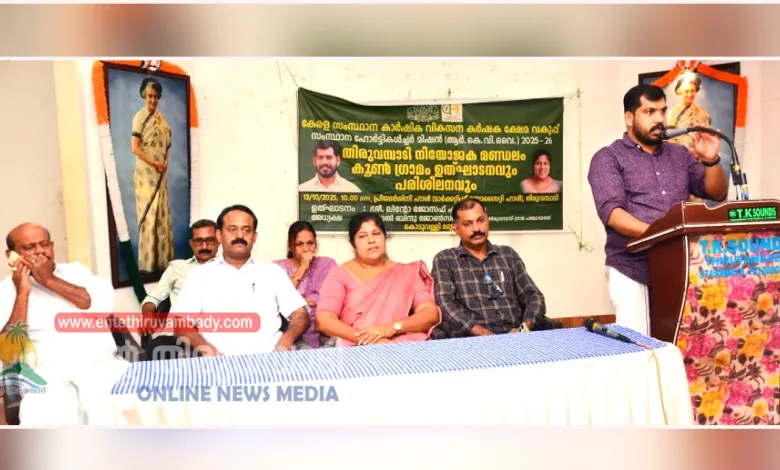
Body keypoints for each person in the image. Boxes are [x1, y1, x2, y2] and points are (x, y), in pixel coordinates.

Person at [587, 84, 727, 335]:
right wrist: (663, 234)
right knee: (638, 345)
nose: (659, 119)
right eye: (649, 112)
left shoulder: (679, 154)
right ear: (629, 117)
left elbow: (716, 192)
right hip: (632, 267)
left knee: (680, 341)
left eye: (662, 111)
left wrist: (711, 160)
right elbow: (614, 215)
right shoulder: (608, 158)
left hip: (680, 266)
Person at [0, 223, 129, 425]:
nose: (40, 251)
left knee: (126, 415)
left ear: (52, 246)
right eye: (29, 247)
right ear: (11, 255)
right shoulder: (6, 291)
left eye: (44, 244)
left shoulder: (78, 272)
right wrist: (22, 293)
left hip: (101, 366)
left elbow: (100, 305)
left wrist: (48, 279)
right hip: (45, 377)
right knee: (45, 427)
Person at [169, 205, 309, 356]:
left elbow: (300, 315)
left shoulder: (273, 272)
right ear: (219, 235)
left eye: (246, 230)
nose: (240, 235)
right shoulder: (200, 275)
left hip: (270, 357)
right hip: (217, 360)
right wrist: (205, 349)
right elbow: (180, 323)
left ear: (254, 237)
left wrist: (286, 341)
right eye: (232, 229)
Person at [315, 212, 440, 347]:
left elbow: (429, 313)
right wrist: (369, 340)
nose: (371, 240)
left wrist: (393, 328)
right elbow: (324, 320)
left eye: (376, 233)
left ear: (385, 237)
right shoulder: (339, 274)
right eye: (362, 236)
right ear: (353, 243)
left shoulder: (407, 272)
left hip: (401, 346)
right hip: (355, 347)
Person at [430, 198, 547, 339]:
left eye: (480, 220)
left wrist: (524, 330)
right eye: (468, 224)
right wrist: (485, 335)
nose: (477, 229)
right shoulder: (445, 259)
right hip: (473, 341)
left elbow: (533, 296)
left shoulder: (507, 255)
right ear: (455, 228)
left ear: (487, 220)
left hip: (516, 337)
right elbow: (445, 305)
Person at [139, 219, 219, 359]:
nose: (204, 246)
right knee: (158, 348)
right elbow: (153, 297)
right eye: (199, 241)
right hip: (175, 335)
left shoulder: (227, 270)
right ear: (191, 243)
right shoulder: (177, 267)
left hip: (213, 334)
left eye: (210, 240)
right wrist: (148, 314)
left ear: (219, 241)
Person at [131, 77, 175, 274]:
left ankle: (163, 261)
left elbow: (167, 146)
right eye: (150, 96)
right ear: (144, 95)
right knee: (149, 215)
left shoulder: (162, 119)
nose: (153, 100)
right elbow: (135, 148)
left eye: (156, 97)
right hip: (146, 174)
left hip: (160, 174)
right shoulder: (139, 117)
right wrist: (155, 163)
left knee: (161, 214)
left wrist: (165, 162)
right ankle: (148, 264)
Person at [273, 221, 337, 349]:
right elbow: (277, 298)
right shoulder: (277, 267)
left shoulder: (327, 264)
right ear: (291, 246)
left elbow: (335, 296)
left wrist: (317, 300)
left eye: (310, 243)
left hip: (324, 328)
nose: (306, 249)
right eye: (299, 244)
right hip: (292, 330)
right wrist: (303, 268)